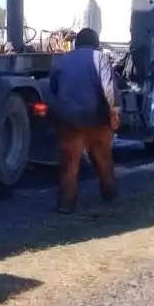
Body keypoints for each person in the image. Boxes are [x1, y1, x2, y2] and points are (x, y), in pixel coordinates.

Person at [46, 27, 120, 214]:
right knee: (103, 159)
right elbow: (109, 88)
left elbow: (53, 87)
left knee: (69, 164)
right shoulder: (100, 58)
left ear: (76, 43)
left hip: (69, 119)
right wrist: (115, 111)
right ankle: (109, 194)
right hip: (97, 118)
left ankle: (66, 204)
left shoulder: (62, 61)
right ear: (96, 44)